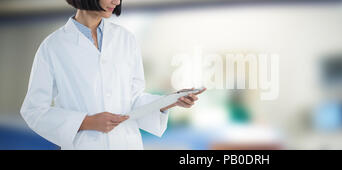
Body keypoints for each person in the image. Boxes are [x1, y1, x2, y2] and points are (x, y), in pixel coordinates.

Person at [20, 0, 205, 150]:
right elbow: (34, 110)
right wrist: (86, 122)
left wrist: (168, 102)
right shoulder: (53, 46)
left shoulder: (126, 39)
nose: (116, 1)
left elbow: (133, 100)